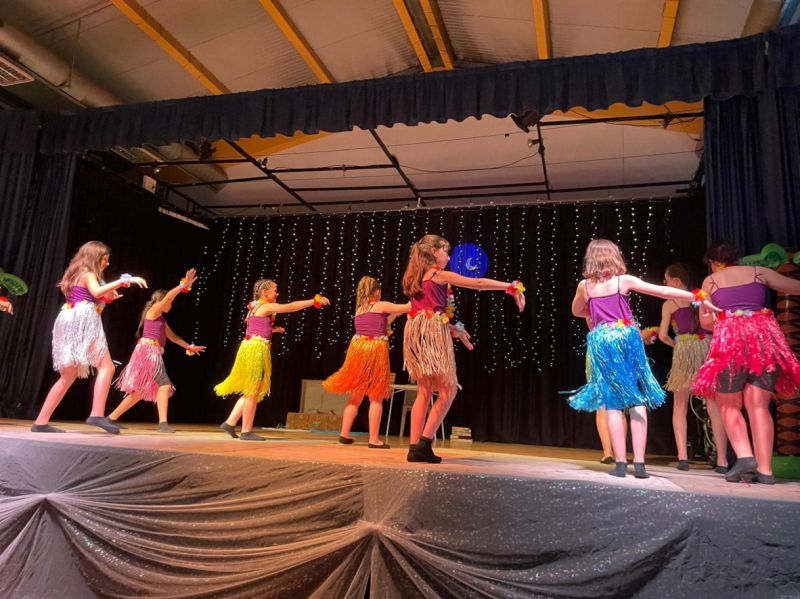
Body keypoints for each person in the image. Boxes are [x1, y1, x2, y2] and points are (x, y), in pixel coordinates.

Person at [569, 239, 717, 478]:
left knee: (613, 402)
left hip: (602, 339)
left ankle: (620, 464)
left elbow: (576, 310)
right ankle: (639, 463)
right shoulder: (623, 280)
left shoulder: (584, 286)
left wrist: (595, 313)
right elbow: (662, 291)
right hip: (627, 337)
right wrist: (696, 296)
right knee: (636, 399)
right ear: (614, 257)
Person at [402, 234, 525, 463]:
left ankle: (413, 447)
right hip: (430, 332)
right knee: (449, 390)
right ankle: (424, 444)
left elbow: (429, 312)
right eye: (445, 251)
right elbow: (477, 284)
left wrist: (453, 329)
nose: (448, 257)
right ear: (434, 252)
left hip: (415, 332)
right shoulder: (438, 275)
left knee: (424, 391)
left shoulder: (416, 278)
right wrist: (510, 286)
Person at [694, 240, 800, 484]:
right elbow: (795, 287)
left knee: (729, 404)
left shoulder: (710, 282)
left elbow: (706, 322)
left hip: (730, 343)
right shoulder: (760, 272)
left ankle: (744, 456)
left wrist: (726, 317)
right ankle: (766, 471)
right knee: (759, 406)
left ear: (714, 262)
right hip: (764, 340)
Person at [32, 241, 147, 433]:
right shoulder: (88, 274)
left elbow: (90, 296)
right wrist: (124, 281)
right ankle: (96, 414)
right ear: (95, 257)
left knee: (67, 376)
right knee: (107, 367)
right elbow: (96, 292)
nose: (107, 263)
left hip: (69, 318)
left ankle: (40, 422)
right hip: (83, 320)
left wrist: (107, 297)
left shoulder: (77, 273)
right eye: (105, 259)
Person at [216, 278, 329, 441]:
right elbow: (290, 307)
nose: (277, 293)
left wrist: (272, 329)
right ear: (265, 292)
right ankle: (246, 431)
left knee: (250, 389)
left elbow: (253, 325)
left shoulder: (255, 307)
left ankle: (230, 422)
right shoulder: (265, 306)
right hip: (256, 350)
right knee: (253, 391)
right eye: (275, 290)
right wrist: (314, 301)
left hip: (250, 348)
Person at [109, 269, 206, 432]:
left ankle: (111, 418)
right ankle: (163, 424)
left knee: (140, 391)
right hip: (148, 352)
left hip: (149, 352)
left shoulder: (160, 319)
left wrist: (189, 347)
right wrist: (183, 285)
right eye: (169, 302)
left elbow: (173, 337)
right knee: (165, 384)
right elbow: (169, 297)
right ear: (162, 301)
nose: (171, 304)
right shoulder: (153, 311)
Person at [324, 275, 410, 448]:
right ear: (377, 291)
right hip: (374, 351)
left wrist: (394, 315)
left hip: (358, 351)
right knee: (376, 396)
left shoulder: (360, 309)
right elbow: (408, 307)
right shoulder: (381, 305)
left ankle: (344, 434)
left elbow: (381, 323)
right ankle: (374, 439)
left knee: (356, 395)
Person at [658, 262, 728, 472]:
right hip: (707, 349)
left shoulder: (669, 303)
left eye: (666, 280)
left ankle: (682, 457)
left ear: (676, 281)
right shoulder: (702, 297)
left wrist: (678, 345)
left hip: (684, 354)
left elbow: (662, 336)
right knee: (713, 405)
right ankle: (723, 460)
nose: (665, 284)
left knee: (680, 406)